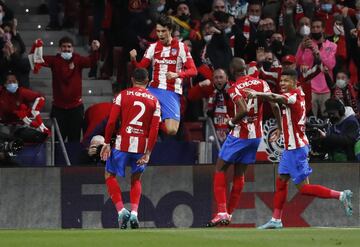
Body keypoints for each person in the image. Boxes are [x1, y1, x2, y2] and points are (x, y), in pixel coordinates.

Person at [245, 69, 353, 229]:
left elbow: (275, 97)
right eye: (281, 81)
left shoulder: (293, 96)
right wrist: (281, 130)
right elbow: (287, 114)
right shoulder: (295, 96)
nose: (282, 83)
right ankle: (276, 219)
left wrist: (258, 95)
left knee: (304, 188)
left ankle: (341, 195)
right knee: (281, 181)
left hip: (296, 150)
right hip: (290, 149)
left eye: (286, 81)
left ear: (295, 82)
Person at [206, 58, 282, 227]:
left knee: (219, 169)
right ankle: (229, 214)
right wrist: (279, 126)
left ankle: (221, 212)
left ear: (232, 72)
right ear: (246, 69)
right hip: (256, 137)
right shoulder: (262, 83)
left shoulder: (234, 88)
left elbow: (243, 109)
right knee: (239, 175)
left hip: (240, 135)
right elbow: (275, 106)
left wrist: (232, 122)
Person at [100, 68, 161, 229]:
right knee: (136, 179)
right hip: (141, 147)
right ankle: (134, 212)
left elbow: (112, 122)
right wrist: (148, 152)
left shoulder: (122, 95)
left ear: (132, 79)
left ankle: (121, 211)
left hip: (122, 144)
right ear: (147, 81)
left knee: (109, 175)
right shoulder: (154, 100)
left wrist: (106, 142)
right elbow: (154, 130)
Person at [130, 15, 197, 136]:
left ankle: (154, 121)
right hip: (153, 89)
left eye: (163, 31)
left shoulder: (182, 47)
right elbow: (141, 67)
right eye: (158, 31)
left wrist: (177, 74)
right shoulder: (153, 47)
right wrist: (134, 59)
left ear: (170, 30)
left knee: (172, 130)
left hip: (171, 91)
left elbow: (193, 71)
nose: (160, 34)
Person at [41, 36, 100, 142]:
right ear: (59, 49)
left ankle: (73, 159)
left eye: (69, 47)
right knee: (57, 140)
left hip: (75, 108)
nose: (67, 49)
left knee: (75, 139)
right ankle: (58, 159)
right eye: (64, 47)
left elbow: (91, 61)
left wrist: (95, 50)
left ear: (72, 48)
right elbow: (38, 59)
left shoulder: (78, 59)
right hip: (58, 108)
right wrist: (37, 47)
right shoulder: (54, 60)